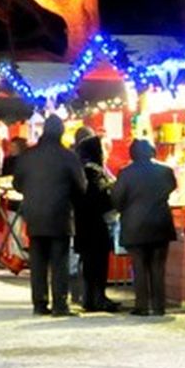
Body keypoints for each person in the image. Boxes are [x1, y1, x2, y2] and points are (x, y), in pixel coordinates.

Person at [13, 114, 86, 316]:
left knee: (37, 261)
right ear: (61, 132)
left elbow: (16, 184)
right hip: (60, 215)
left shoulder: (28, 155)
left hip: (34, 215)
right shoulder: (69, 157)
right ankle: (60, 304)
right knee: (59, 261)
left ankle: (39, 303)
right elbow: (81, 187)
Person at [112, 138, 177, 316]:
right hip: (160, 224)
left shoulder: (126, 173)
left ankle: (141, 306)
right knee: (158, 266)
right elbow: (171, 188)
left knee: (139, 265)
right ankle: (159, 306)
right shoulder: (165, 171)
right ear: (152, 151)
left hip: (135, 225)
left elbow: (117, 199)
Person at [72, 135, 119, 312]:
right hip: (94, 225)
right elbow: (101, 199)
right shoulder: (94, 172)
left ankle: (90, 298)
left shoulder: (80, 170)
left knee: (88, 263)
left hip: (82, 223)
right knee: (97, 263)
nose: (105, 153)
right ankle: (98, 298)